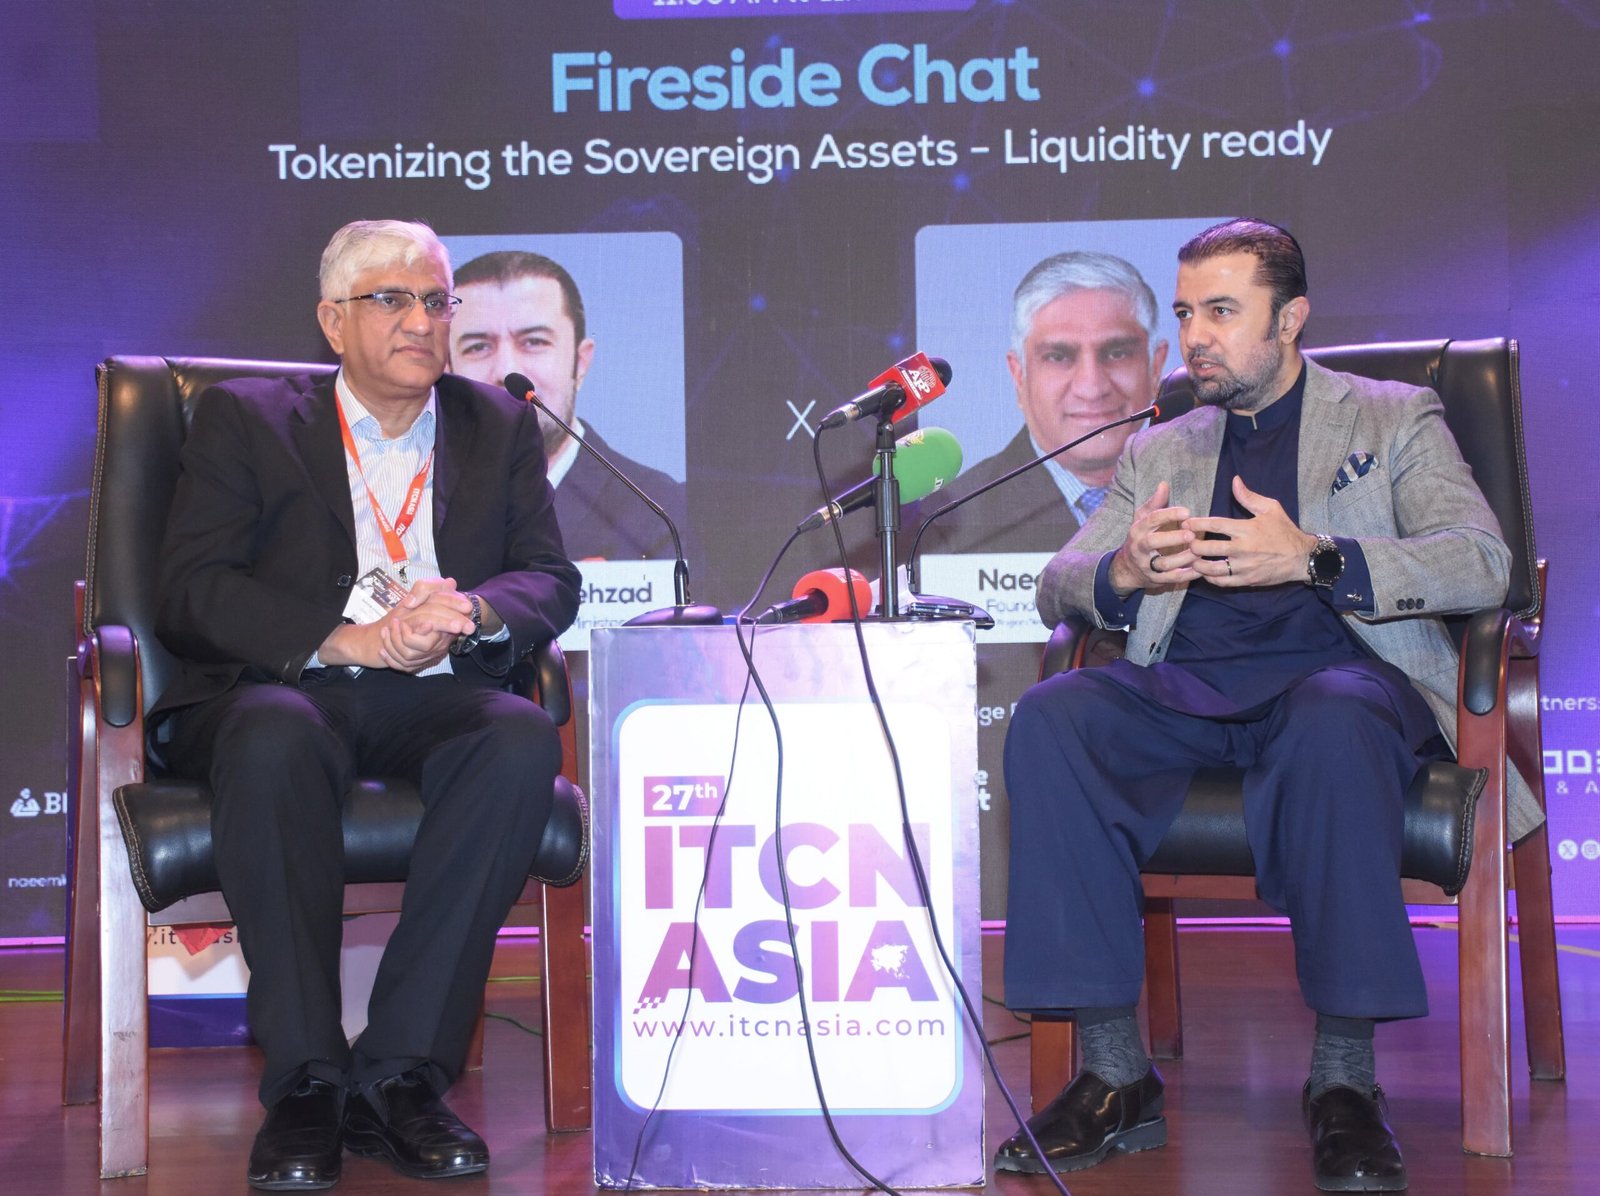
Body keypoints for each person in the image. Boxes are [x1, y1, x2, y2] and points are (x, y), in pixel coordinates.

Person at [995, 219, 1541, 1191]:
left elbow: (1483, 561)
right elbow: (1059, 581)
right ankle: (1115, 1076)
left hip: (1342, 683)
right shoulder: (1159, 444)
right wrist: (1123, 570)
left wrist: (1318, 556)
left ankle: (1343, 1084)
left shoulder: (1392, 417)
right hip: (1187, 692)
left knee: (1331, 719)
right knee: (1053, 717)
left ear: (1289, 319)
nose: (1194, 336)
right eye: (1184, 313)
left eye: (1221, 311)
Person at [149, 220, 582, 1190]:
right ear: (332, 321)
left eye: (435, 300)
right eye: (392, 299)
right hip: (287, 686)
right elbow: (191, 589)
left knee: (518, 736)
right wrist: (345, 639)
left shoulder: (497, 423)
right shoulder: (245, 418)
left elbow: (548, 578)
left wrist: (473, 612)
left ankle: (400, 1078)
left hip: (434, 691)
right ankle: (307, 1084)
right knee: (273, 738)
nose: (421, 320)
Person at [915, 251, 1167, 554]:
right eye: (1058, 357)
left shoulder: (1201, 489)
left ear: (1155, 367)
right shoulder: (950, 522)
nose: (1091, 388)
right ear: (1019, 375)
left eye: (1117, 353)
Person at [449, 249, 689, 560]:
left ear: (580, 363)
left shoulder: (657, 510)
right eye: (478, 347)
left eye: (534, 342)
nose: (506, 370)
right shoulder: (414, 501)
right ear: (447, 370)